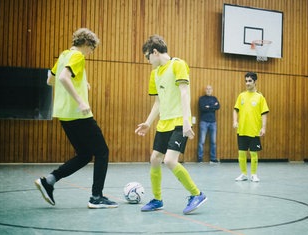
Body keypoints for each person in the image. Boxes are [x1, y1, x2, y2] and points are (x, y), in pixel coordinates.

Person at [35, 28, 118, 208]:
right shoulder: (78, 56)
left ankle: (49, 181)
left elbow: (51, 79)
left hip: (64, 115)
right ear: (87, 44)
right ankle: (96, 197)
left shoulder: (64, 55)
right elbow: (64, 77)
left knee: (85, 154)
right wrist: (81, 101)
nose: (90, 54)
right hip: (78, 114)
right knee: (102, 151)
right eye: (91, 49)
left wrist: (81, 82)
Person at [135, 34, 207, 214]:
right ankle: (157, 200)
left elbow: (184, 92)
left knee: (169, 160)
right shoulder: (155, 74)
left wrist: (186, 121)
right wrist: (148, 123)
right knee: (155, 159)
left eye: (147, 56)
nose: (147, 60)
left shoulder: (178, 64)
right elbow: (158, 102)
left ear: (155, 52)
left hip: (178, 122)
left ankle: (197, 194)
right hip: (163, 123)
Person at [233, 72, 269, 182]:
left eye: (250, 81)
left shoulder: (260, 97)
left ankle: (254, 174)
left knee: (254, 153)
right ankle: (243, 174)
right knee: (241, 153)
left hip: (254, 131)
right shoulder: (241, 96)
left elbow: (264, 113)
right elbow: (235, 109)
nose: (247, 83)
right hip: (242, 130)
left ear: (255, 82)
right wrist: (235, 121)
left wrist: (263, 127)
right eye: (246, 81)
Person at [197, 85, 220, 163]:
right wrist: (212, 106)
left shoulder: (214, 98)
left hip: (213, 122)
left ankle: (213, 159)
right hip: (203, 122)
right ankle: (200, 159)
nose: (208, 90)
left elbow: (218, 107)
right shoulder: (201, 99)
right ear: (205, 90)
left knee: (213, 142)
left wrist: (208, 107)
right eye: (207, 89)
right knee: (202, 141)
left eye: (210, 89)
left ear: (212, 90)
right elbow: (202, 108)